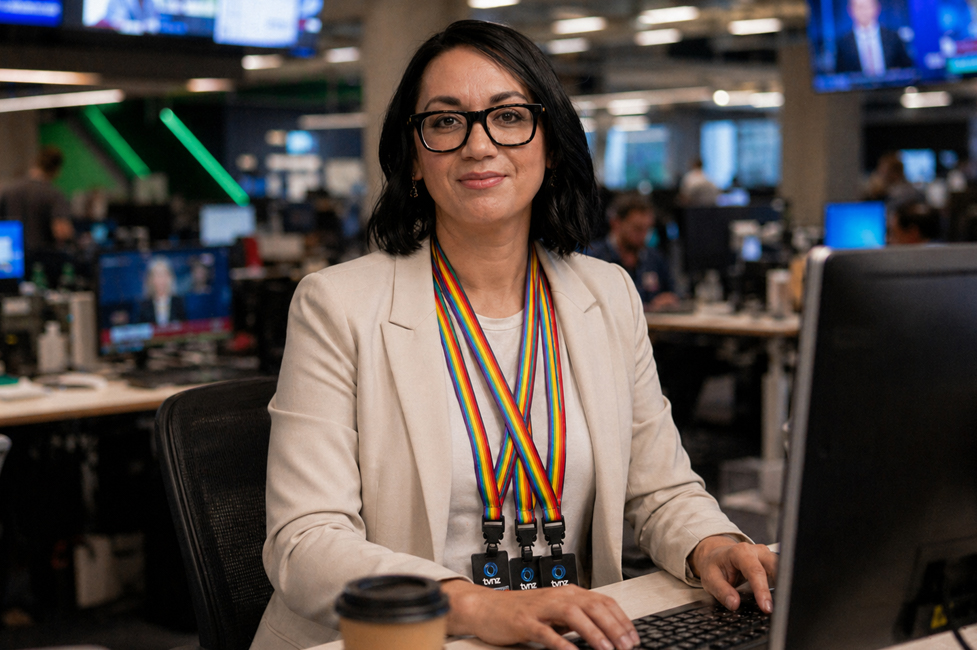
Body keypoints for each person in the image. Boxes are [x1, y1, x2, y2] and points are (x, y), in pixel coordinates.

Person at [254, 20, 776, 650]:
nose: (479, 145)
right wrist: (473, 605)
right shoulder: (337, 305)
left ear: (549, 144)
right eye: (446, 122)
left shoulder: (605, 295)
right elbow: (305, 540)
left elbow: (659, 487)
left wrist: (709, 542)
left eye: (508, 116)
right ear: (415, 157)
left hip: (564, 634)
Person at [587, 193, 681, 311]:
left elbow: (674, 294)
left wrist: (669, 300)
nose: (644, 235)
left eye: (647, 229)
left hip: (653, 327)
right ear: (616, 223)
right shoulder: (592, 258)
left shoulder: (654, 258)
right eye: (637, 228)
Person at [0, 146, 73, 253]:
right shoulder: (53, 194)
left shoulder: (8, 191)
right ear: (57, 170)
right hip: (42, 260)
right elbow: (61, 230)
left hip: (12, 258)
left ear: (35, 163)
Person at [834, 0, 914, 75]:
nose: (863, 11)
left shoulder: (893, 37)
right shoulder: (843, 43)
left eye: (867, 7)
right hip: (858, 89)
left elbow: (908, 69)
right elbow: (840, 76)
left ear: (877, 8)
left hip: (890, 88)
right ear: (850, 10)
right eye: (859, 7)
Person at [138, 256, 186, 326]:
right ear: (150, 279)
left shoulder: (179, 303)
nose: (161, 279)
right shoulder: (144, 306)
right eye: (157, 275)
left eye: (164, 274)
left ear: (170, 277)